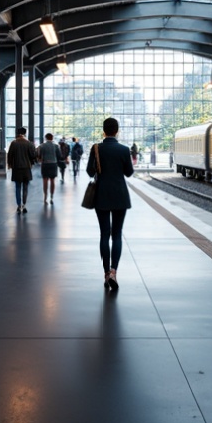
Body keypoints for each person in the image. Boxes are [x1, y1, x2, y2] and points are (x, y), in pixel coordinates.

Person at [86, 117, 134, 292]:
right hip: (120, 196)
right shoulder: (123, 149)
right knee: (117, 234)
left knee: (104, 234)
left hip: (102, 195)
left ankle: (106, 273)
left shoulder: (96, 148)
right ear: (117, 130)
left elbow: (90, 171)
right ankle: (114, 271)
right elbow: (129, 173)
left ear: (103, 131)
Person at [6, 128, 37, 213]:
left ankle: (19, 205)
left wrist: (9, 164)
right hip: (26, 168)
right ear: (25, 133)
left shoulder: (14, 143)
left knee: (18, 187)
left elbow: (10, 155)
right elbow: (33, 155)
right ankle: (24, 205)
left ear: (17, 133)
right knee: (25, 187)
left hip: (16, 168)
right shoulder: (29, 143)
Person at [38, 133, 60, 204]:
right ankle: (52, 197)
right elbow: (59, 156)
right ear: (52, 138)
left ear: (45, 138)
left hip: (45, 164)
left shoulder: (42, 146)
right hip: (53, 164)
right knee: (52, 180)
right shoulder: (56, 146)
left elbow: (39, 156)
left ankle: (45, 197)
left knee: (45, 181)